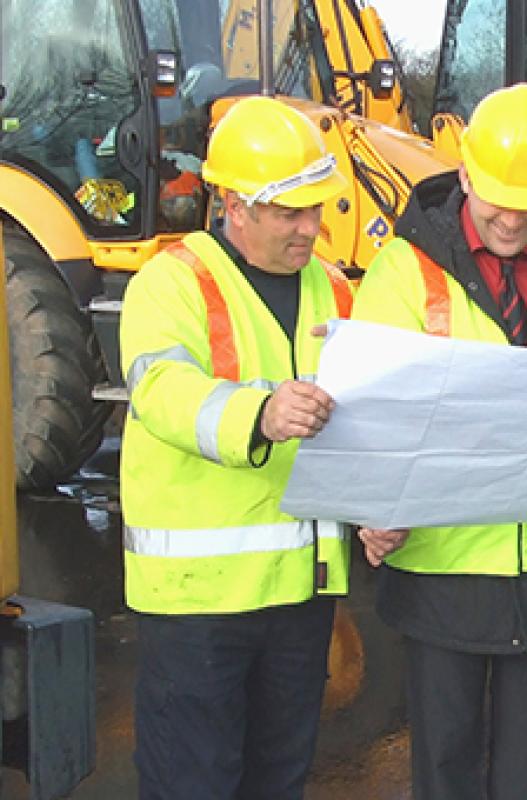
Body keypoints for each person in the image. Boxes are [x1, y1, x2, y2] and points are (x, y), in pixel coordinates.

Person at [351, 83, 527, 800]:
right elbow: (369, 410)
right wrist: (371, 507)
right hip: (442, 564)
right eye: (498, 197)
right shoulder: (403, 271)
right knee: (445, 769)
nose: (512, 219)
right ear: (464, 174)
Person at [119, 95, 354, 800]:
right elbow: (160, 390)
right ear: (234, 205)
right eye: (290, 213)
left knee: (277, 782)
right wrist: (259, 414)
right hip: (197, 605)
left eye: (316, 209)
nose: (310, 228)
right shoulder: (171, 282)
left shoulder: (334, 290)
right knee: (195, 783)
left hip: (299, 595)